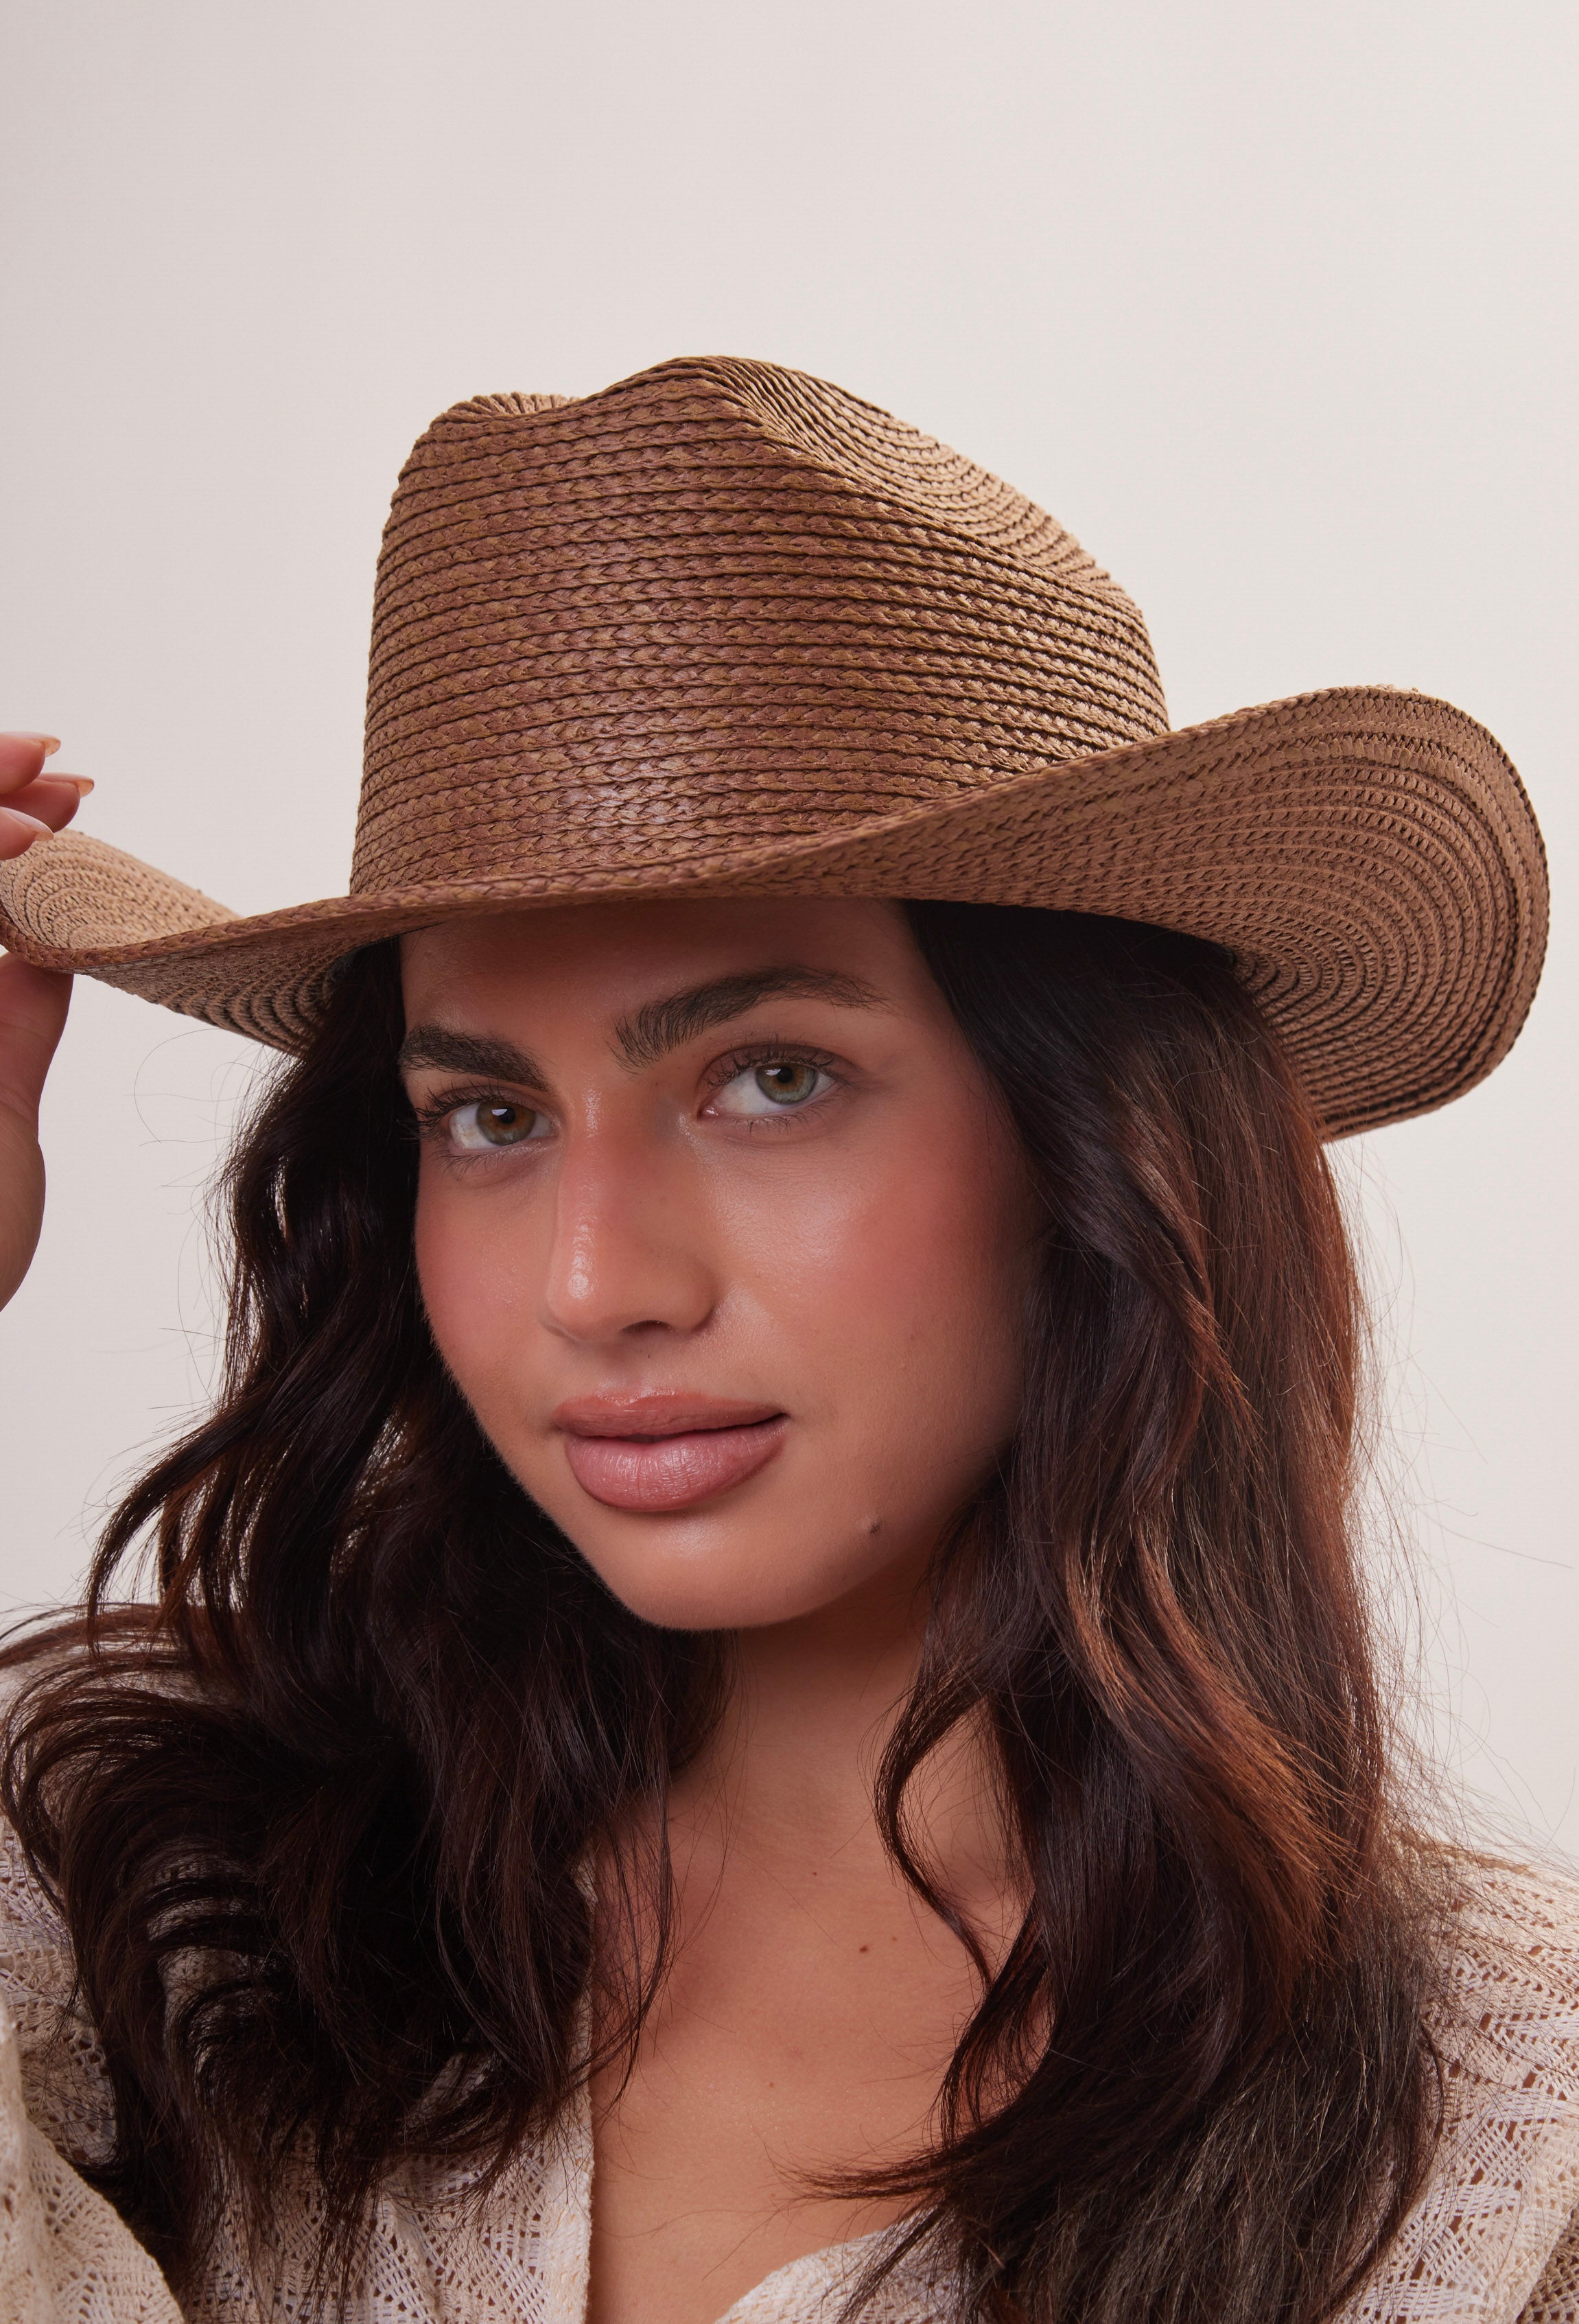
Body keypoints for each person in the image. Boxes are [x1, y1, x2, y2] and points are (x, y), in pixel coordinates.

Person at [0, 357, 1572, 2324]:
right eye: (487, 1113)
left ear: (1096, 1142)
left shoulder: (1497, 2148)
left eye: (770, 1076)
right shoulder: (142, 1899)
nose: (594, 1279)